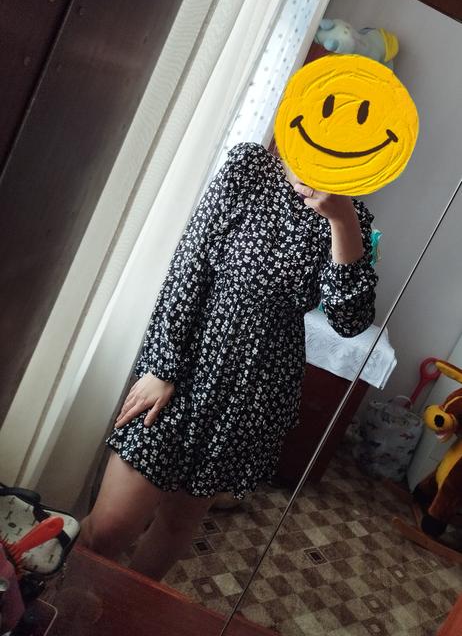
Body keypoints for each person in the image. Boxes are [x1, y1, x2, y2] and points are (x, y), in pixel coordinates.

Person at [80, 142, 378, 579]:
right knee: (109, 528)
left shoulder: (353, 217)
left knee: (178, 524)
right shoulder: (249, 166)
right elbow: (191, 265)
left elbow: (350, 320)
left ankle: (125, 609)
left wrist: (342, 219)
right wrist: (162, 367)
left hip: (255, 391)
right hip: (185, 368)